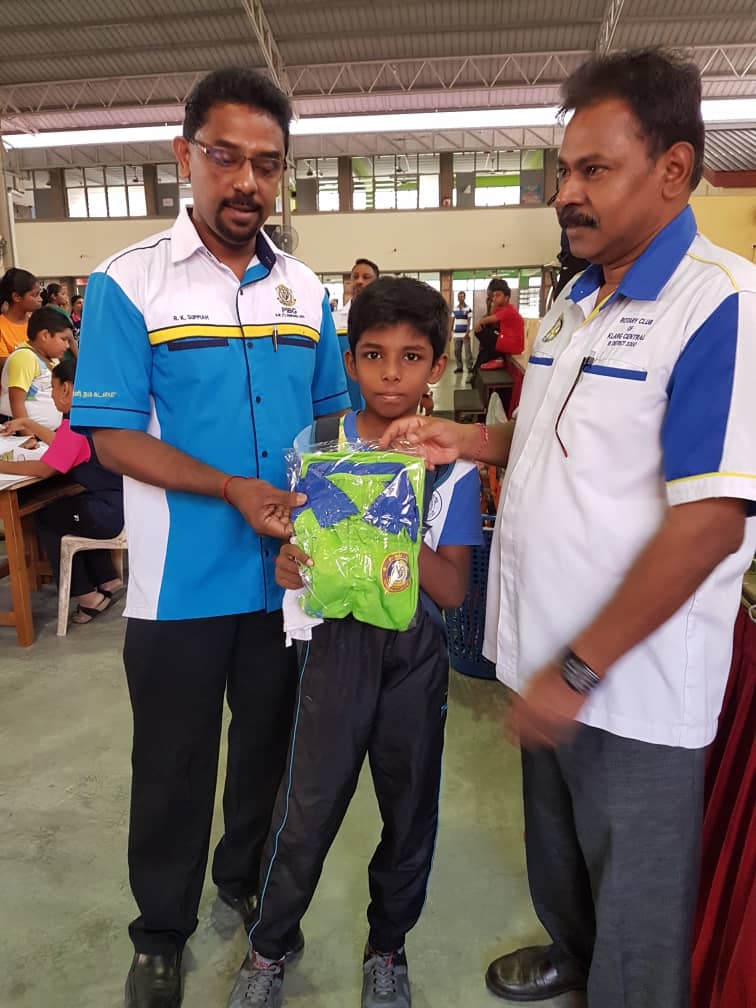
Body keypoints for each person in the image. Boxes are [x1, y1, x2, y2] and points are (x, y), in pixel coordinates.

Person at [380, 47, 756, 1008]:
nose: (566, 194)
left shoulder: (719, 305)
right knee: (559, 848)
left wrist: (580, 671)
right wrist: (470, 439)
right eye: (563, 171)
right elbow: (557, 440)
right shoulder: (575, 301)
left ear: (673, 169)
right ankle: (573, 958)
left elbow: (711, 522)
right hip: (543, 651)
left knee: (636, 883)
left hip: (628, 676)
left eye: (594, 170)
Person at [69, 66, 351, 1008]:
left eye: (267, 164)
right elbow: (112, 438)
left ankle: (246, 884)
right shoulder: (128, 283)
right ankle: (161, 934)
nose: (246, 182)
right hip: (178, 587)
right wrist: (229, 486)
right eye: (225, 157)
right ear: (183, 155)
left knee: (268, 755)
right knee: (173, 768)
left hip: (286, 583)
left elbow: (332, 426)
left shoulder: (305, 291)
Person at [227, 276, 482, 1008]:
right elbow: (299, 557)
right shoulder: (318, 450)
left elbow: (451, 589)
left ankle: (387, 948)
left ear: (437, 366)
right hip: (331, 654)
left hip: (414, 657)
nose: (391, 374)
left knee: (410, 809)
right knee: (304, 812)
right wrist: (290, 565)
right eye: (373, 355)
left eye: (411, 357)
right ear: (349, 360)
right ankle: (269, 951)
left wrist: (388, 520)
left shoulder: (452, 465)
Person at [0, 358, 124, 623]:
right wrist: (30, 425)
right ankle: (107, 579)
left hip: (111, 514)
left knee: (48, 518)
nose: (53, 396)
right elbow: (65, 445)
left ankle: (88, 597)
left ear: (66, 388)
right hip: (123, 505)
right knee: (73, 507)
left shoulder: (75, 424)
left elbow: (44, 469)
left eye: (53, 388)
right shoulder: (94, 414)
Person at [0, 306, 70, 428]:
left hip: (45, 433)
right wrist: (28, 435)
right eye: (63, 339)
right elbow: (16, 402)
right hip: (20, 433)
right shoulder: (24, 357)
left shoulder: (53, 359)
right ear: (45, 335)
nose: (67, 345)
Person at [332, 257, 380, 410]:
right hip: (345, 403)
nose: (359, 281)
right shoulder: (334, 322)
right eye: (355, 277)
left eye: (366, 277)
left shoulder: (389, 321)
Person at [0, 267, 43, 355]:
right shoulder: (1, 328)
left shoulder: (39, 323)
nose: (40, 299)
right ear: (16, 297)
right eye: (35, 295)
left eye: (40, 294)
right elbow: (6, 362)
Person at [450, 289, 473, 372]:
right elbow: (452, 321)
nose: (460, 298)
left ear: (464, 297)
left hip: (465, 334)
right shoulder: (455, 309)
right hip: (456, 334)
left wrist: (467, 332)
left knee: (467, 352)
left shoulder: (468, 308)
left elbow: (469, 321)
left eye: (462, 296)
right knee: (457, 351)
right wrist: (450, 333)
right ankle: (459, 367)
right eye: (459, 297)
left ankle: (469, 367)